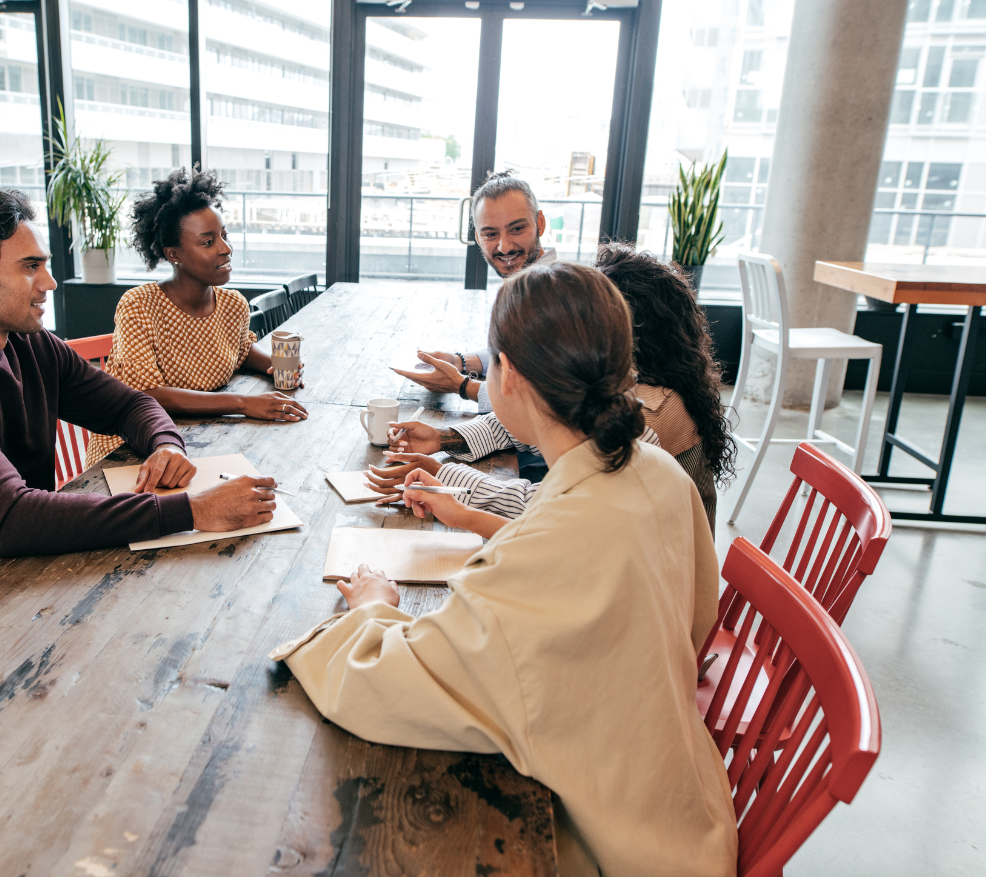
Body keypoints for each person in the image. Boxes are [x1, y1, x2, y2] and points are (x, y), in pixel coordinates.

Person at [273, 262, 736, 876]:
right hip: (681, 799)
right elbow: (694, 617)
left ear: (509, 375)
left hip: (613, 845)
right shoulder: (657, 473)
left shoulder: (551, 546)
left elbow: (390, 683)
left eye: (488, 364)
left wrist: (373, 608)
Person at [0, 187, 275, 603]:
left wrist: (165, 444)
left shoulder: (29, 343)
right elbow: (10, 519)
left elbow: (131, 403)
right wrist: (192, 510)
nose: (50, 282)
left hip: (25, 569)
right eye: (30, 267)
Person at [378, 245, 736, 532]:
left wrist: (447, 474)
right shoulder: (620, 388)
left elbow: (549, 509)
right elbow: (539, 416)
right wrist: (446, 439)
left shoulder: (650, 413)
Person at [85, 167, 307, 466]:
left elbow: (239, 350)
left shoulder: (233, 304)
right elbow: (149, 394)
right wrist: (244, 403)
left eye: (224, 236)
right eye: (208, 242)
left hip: (199, 438)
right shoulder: (139, 305)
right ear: (173, 254)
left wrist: (276, 365)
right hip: (132, 449)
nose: (226, 249)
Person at [390, 170, 550, 481]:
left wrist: (461, 385)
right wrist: (462, 362)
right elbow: (513, 356)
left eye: (517, 228)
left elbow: (533, 412)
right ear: (477, 237)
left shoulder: (556, 297)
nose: (504, 246)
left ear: (540, 223)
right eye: (490, 234)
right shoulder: (526, 288)